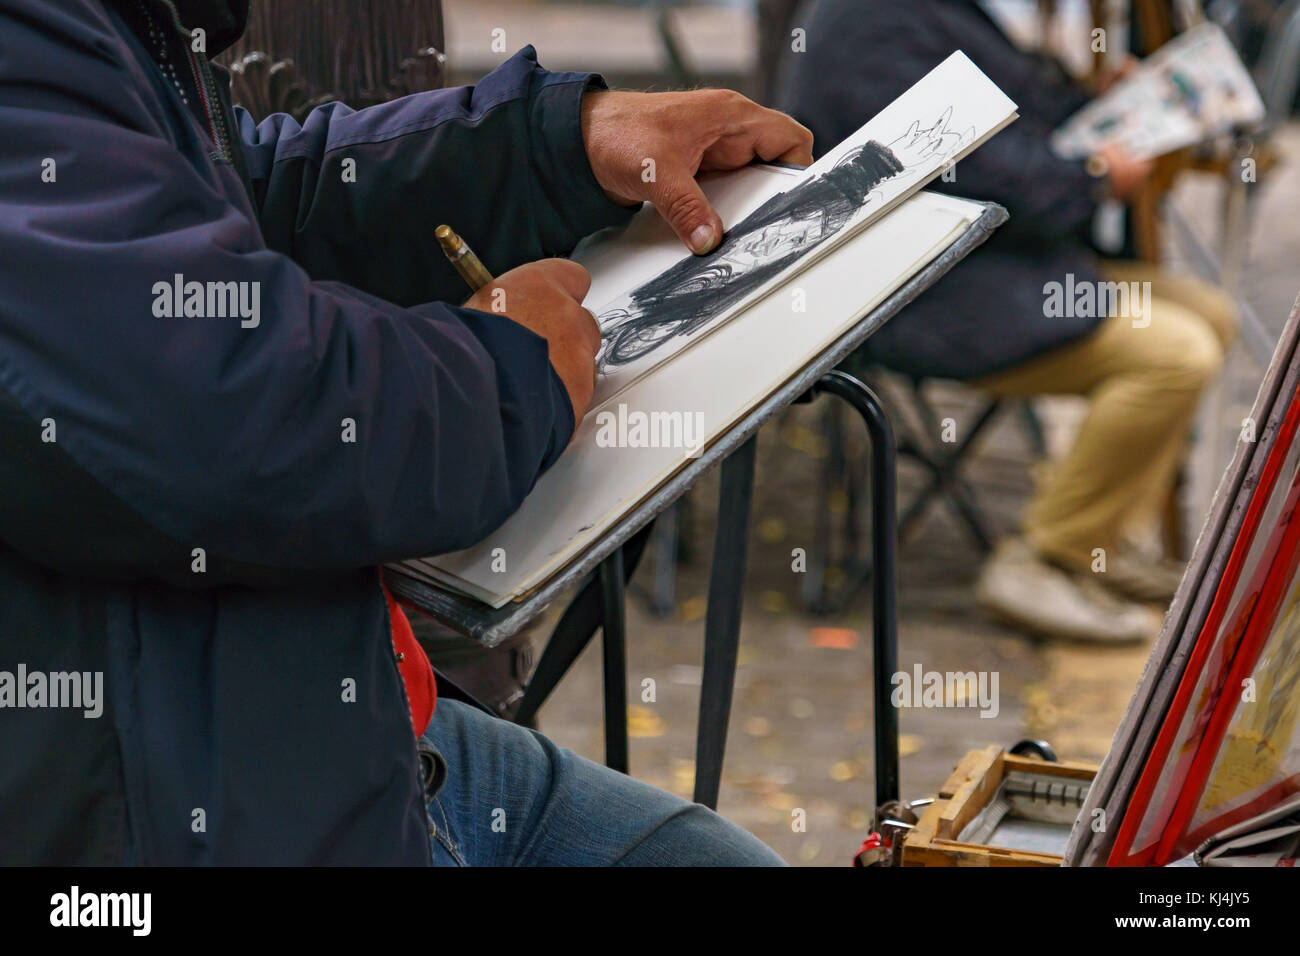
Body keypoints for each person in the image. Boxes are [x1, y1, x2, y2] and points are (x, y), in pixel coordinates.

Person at [0, 0, 813, 864]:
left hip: (311, 735)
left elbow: (236, 200)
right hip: (165, 798)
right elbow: (214, 414)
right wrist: (505, 372)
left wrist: (549, 147)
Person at [781, 0, 1238, 644]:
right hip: (918, 290)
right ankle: (1046, 553)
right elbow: (983, 174)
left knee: (1208, 313)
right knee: (1174, 354)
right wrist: (1094, 176)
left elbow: (1008, 120)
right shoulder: (872, 25)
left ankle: (1092, 541)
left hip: (985, 266)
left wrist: (1095, 106)